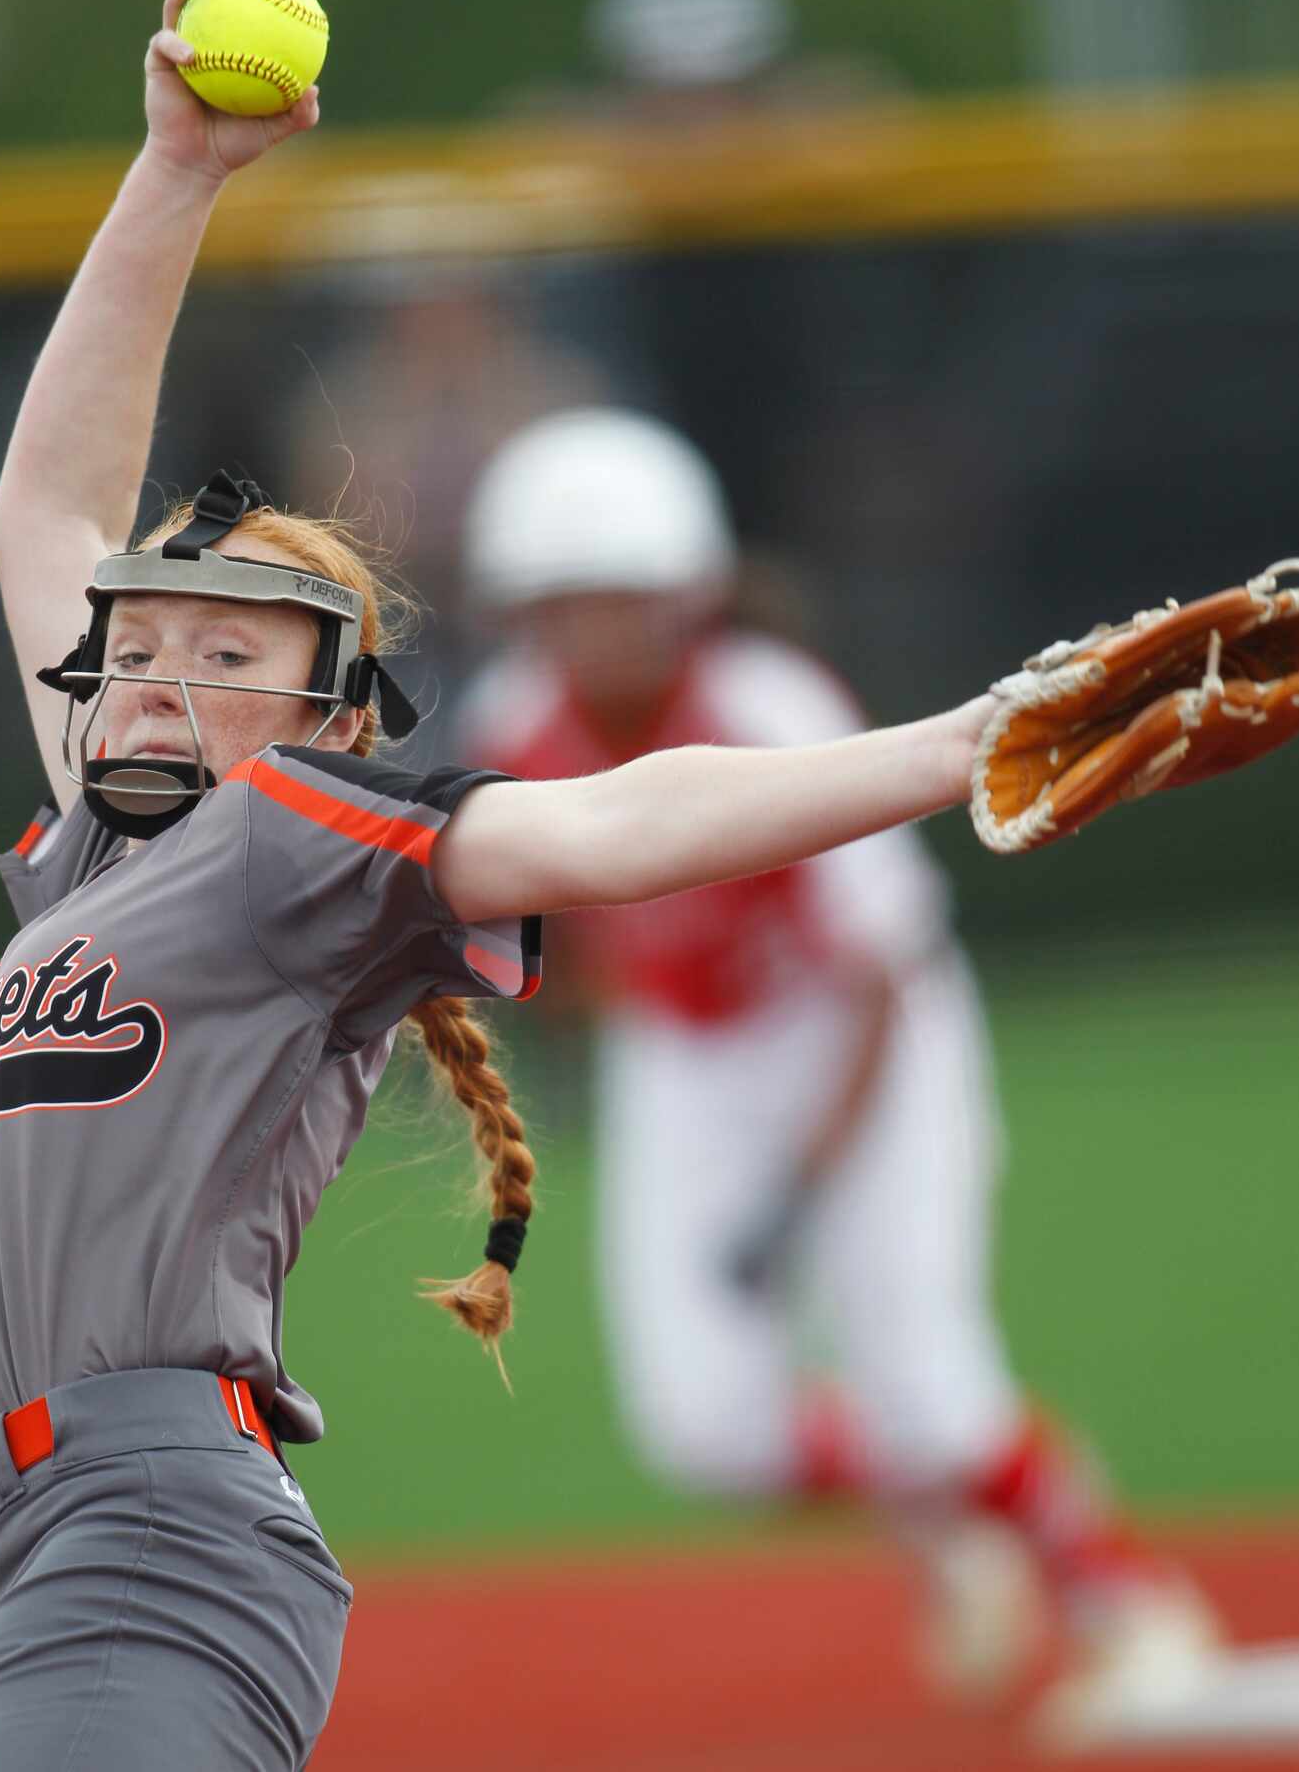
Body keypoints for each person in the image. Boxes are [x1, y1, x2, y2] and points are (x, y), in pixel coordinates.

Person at [0, 0, 1003, 1772]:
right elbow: (44, 513)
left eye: (232, 651)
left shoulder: (293, 842)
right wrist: (176, 172)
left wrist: (963, 742)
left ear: (324, 726)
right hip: (25, 1548)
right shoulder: (105, 850)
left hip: (150, 1537)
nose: (166, 663)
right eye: (148, 635)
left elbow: (608, 822)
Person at [455, 405, 1225, 1749]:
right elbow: (555, 928)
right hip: (684, 1060)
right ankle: (962, 1505)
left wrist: (803, 1185)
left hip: (862, 1042)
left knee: (926, 1383)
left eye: (623, 594)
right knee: (711, 1434)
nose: (596, 627)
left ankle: (1121, 1596)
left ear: (689, 590)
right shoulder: (508, 720)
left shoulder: (767, 703)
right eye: (562, 600)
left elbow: (876, 968)